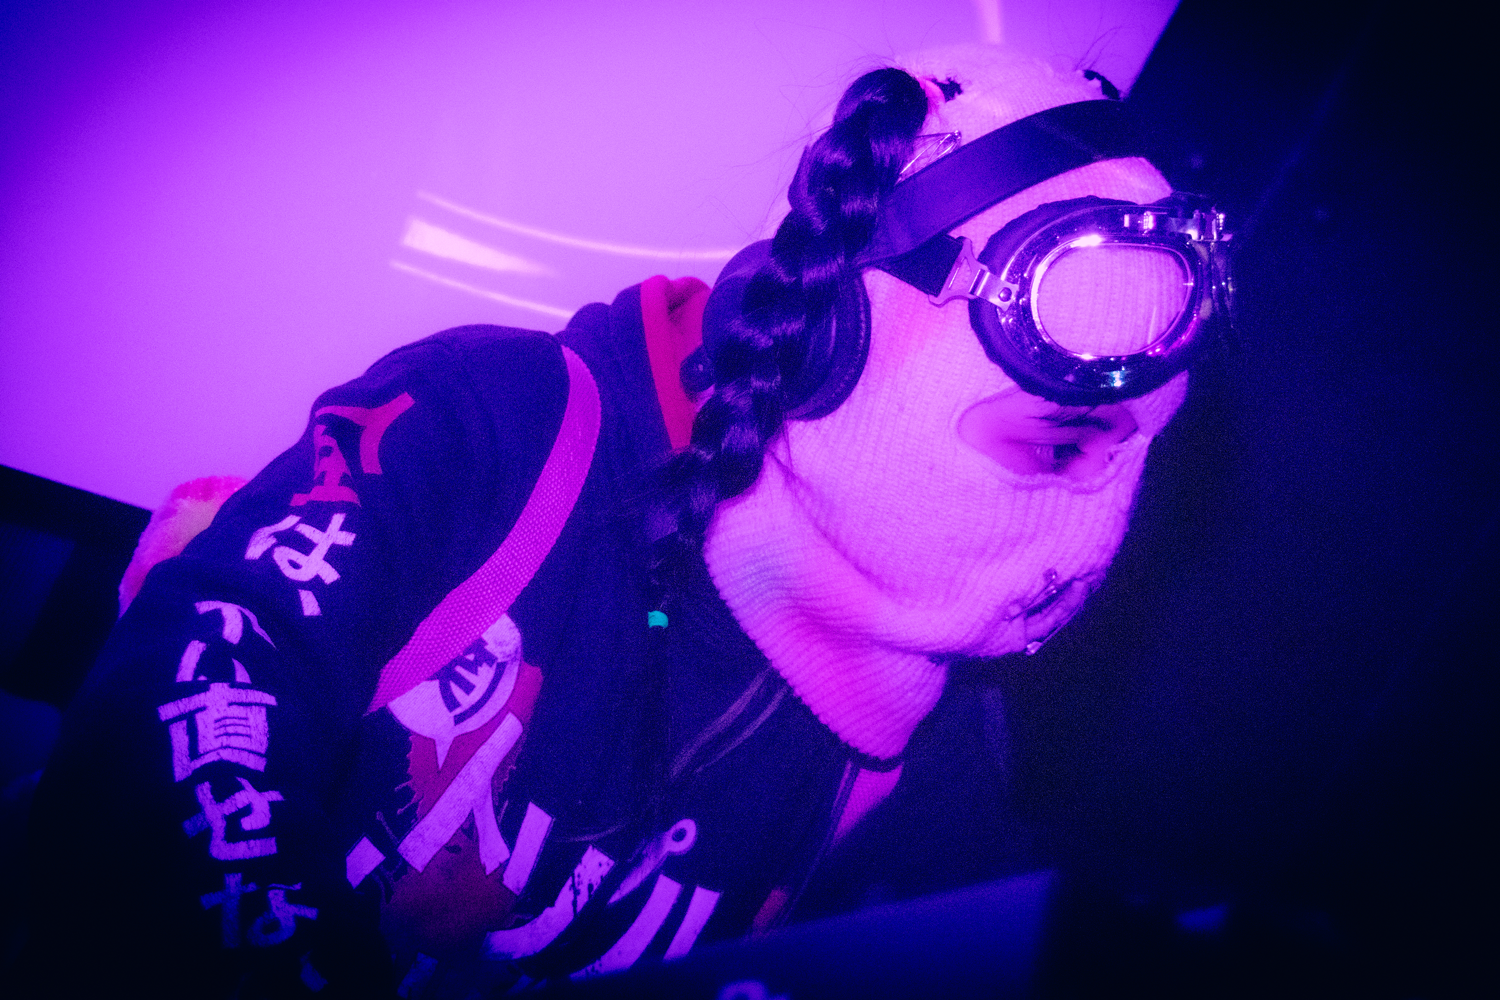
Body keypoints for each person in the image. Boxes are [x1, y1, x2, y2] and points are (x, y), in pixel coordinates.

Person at [20, 43, 1231, 998]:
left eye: (1131, 457)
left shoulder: (937, 757)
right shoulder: (489, 426)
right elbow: (202, 709)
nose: (1086, 541)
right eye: (1053, 446)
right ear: (839, 350)